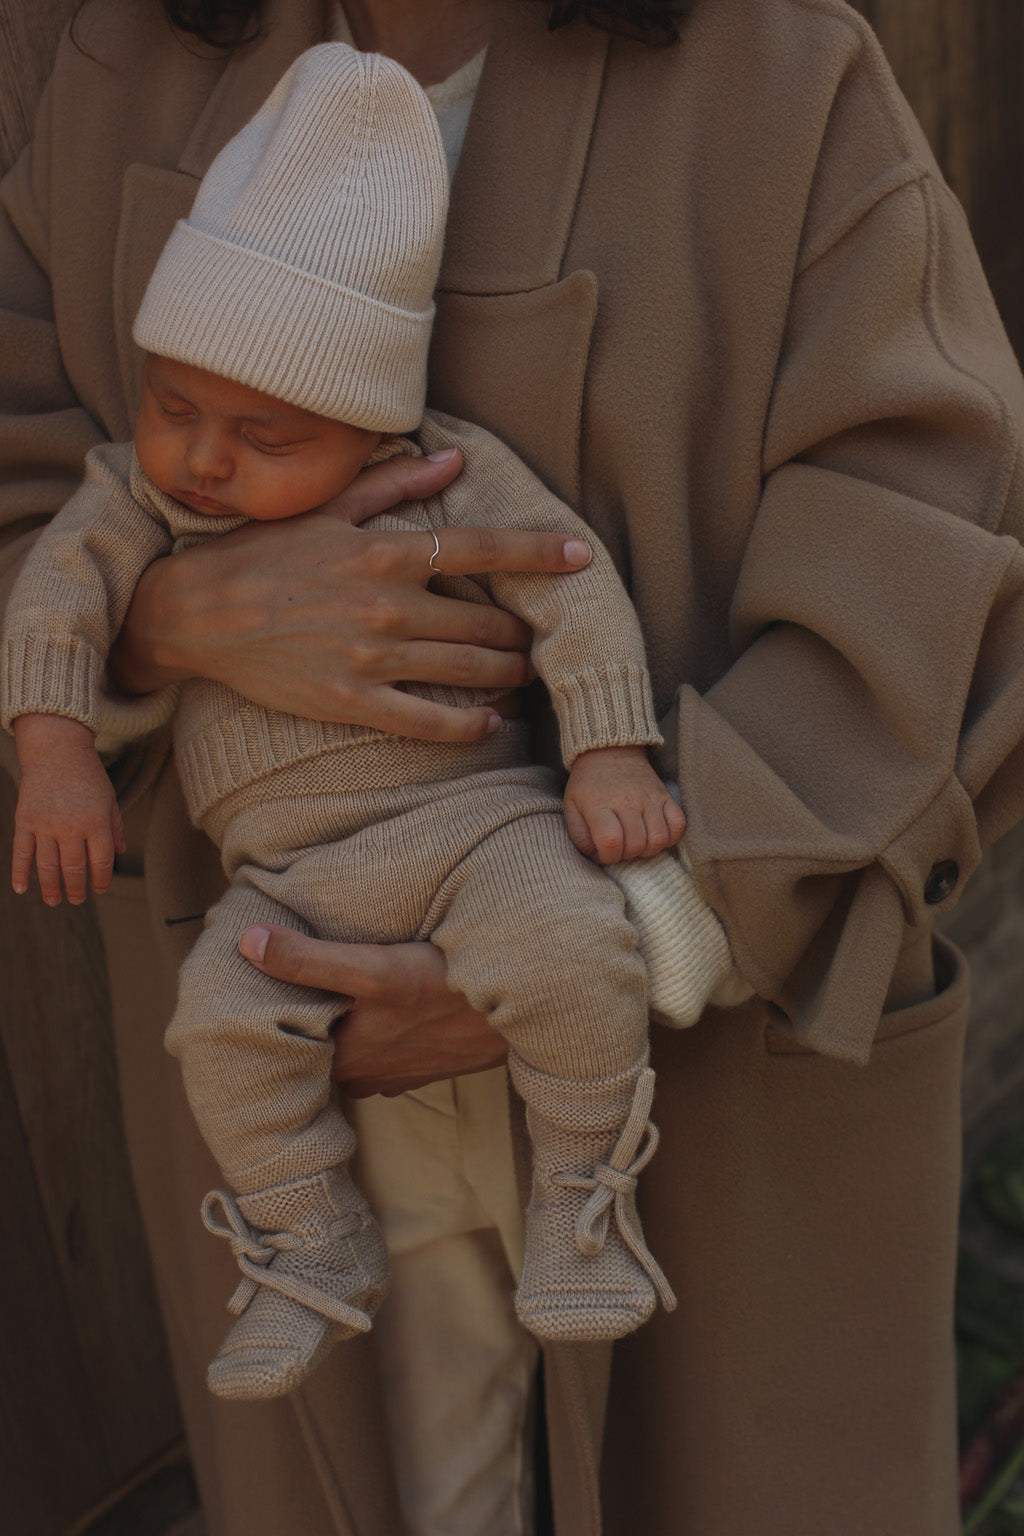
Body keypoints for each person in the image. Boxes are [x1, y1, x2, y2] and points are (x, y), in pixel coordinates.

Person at [3, 0, 1024, 1532]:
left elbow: (927, 557)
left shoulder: (785, 79)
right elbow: (28, 476)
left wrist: (631, 931)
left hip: (698, 1050)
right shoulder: (114, 58)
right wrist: (161, 621)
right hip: (300, 1025)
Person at [3, 40, 694, 1401]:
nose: (204, 456)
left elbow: (570, 585)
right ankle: (304, 1243)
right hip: (285, 882)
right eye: (176, 406)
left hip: (471, 829)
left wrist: (610, 748)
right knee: (218, 1025)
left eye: (266, 435)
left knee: (569, 945)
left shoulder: (442, 476)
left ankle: (581, 1193)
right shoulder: (136, 508)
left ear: (366, 418)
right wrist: (55, 746)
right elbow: (53, 604)